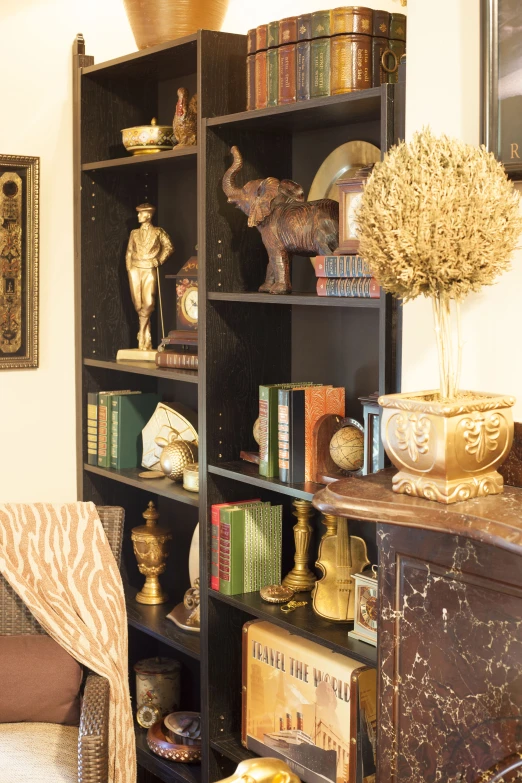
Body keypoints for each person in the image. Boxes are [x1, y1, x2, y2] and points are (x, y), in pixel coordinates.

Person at [126, 203, 173, 351]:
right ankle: (145, 338)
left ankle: (142, 334)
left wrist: (158, 260)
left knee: (148, 302)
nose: (138, 216)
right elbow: (129, 251)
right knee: (137, 303)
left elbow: (169, 247)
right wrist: (129, 268)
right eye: (138, 213)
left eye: (141, 214)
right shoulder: (134, 233)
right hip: (135, 268)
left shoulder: (158, 232)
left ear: (148, 215)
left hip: (149, 268)